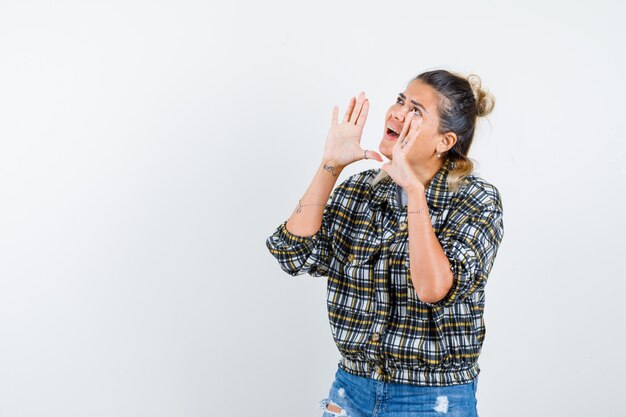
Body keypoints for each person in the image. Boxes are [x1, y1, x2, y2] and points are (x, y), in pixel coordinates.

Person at [265, 69, 504, 417]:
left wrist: (413, 190)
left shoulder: (477, 200)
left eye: (416, 111)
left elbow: (433, 288)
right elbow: (293, 254)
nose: (396, 113)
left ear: (444, 141)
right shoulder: (361, 190)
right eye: (400, 100)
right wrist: (330, 165)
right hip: (350, 391)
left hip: (432, 400)